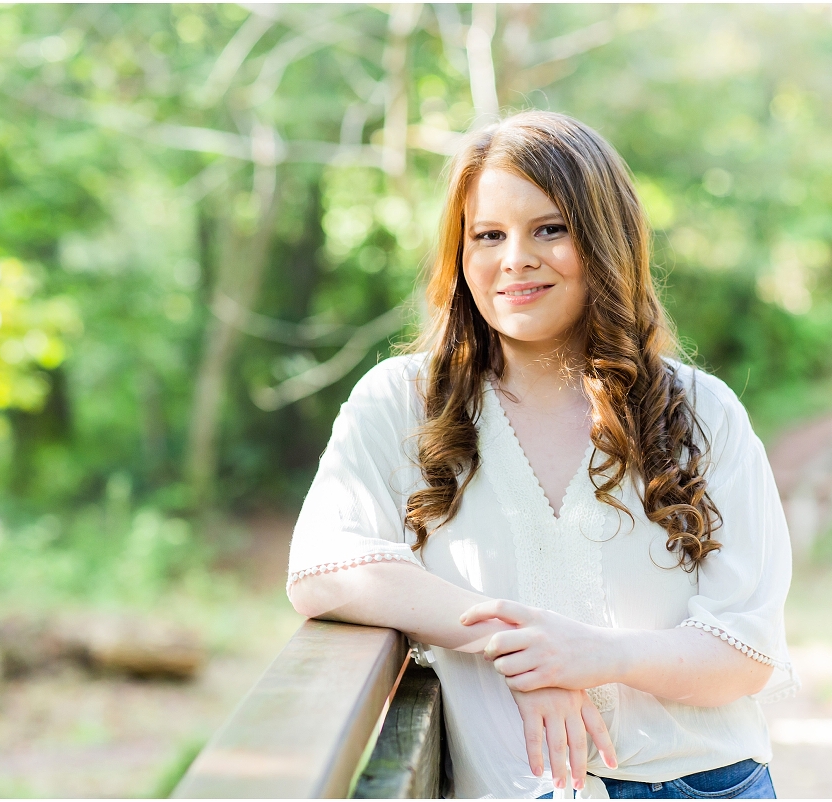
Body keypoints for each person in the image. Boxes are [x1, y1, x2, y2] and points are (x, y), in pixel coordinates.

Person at [286, 110, 797, 800]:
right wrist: (514, 643)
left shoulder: (701, 413)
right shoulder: (403, 402)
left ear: (603, 237)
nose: (515, 258)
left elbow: (743, 654)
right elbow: (323, 568)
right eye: (488, 235)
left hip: (704, 783)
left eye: (549, 228)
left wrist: (597, 657)